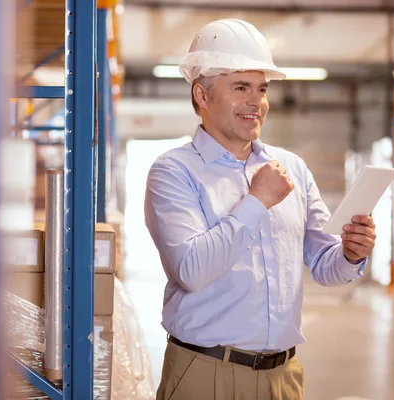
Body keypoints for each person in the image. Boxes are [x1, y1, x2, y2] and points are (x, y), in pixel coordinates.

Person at [144, 19, 376, 400]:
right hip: (205, 373)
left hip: (282, 378)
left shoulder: (292, 169)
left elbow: (325, 266)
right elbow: (191, 270)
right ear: (202, 95)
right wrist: (257, 201)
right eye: (241, 88)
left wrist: (350, 253)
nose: (257, 102)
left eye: (262, 89)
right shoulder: (174, 171)